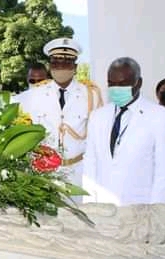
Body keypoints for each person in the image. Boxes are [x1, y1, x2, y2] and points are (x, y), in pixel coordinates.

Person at [18, 38, 103, 188]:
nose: (61, 67)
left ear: (75, 67)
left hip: (78, 173)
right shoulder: (32, 95)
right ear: (50, 66)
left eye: (67, 62)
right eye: (56, 62)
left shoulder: (91, 96)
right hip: (43, 174)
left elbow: (98, 138)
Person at [83, 57, 165, 205]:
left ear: (138, 83)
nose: (116, 89)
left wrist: (156, 211)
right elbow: (91, 163)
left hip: (141, 208)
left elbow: (163, 171)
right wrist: (90, 204)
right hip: (104, 208)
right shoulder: (98, 117)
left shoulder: (160, 116)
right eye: (111, 84)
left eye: (122, 84)